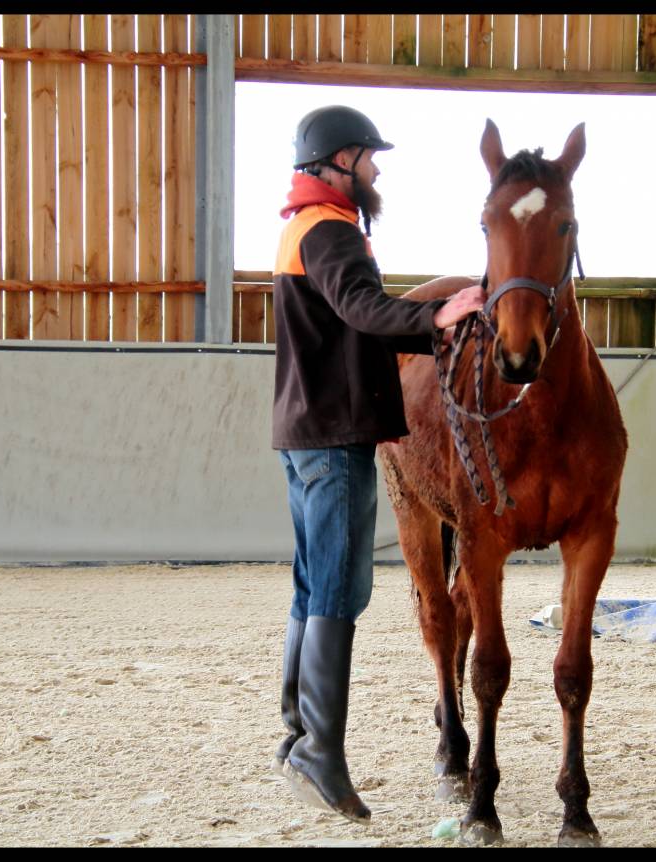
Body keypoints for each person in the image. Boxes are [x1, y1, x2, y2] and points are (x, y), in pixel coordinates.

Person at [270, 105, 485, 824]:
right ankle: (319, 753)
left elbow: (350, 329)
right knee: (340, 589)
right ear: (341, 161)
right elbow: (364, 310)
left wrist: (437, 333)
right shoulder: (330, 229)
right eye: (369, 157)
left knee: (312, 587)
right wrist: (438, 314)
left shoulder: (301, 225)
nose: (376, 169)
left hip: (304, 434)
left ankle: (297, 733)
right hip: (334, 440)